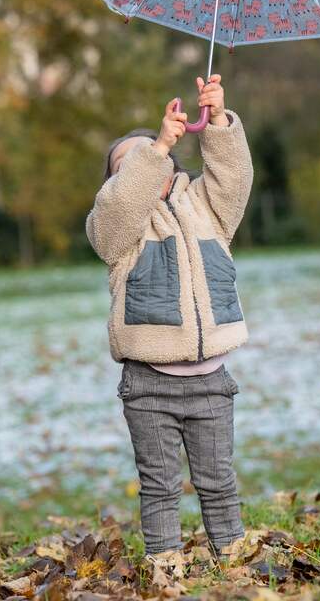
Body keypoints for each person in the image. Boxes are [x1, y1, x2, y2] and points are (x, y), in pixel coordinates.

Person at [85, 74, 254, 566]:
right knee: (159, 486)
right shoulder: (116, 232)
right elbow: (120, 205)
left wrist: (217, 122)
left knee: (218, 480)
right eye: (128, 164)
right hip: (149, 383)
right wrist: (154, 145)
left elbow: (234, 179)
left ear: (176, 168)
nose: (145, 165)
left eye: (157, 156)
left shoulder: (207, 208)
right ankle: (166, 567)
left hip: (211, 381)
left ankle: (234, 557)